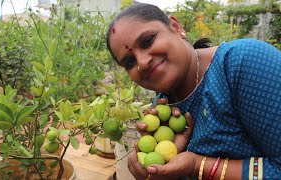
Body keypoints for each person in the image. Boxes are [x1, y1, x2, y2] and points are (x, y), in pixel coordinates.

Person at [106, 3, 281, 180]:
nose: (142, 62)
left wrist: (197, 165)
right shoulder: (163, 112)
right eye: (129, 62)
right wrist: (160, 171)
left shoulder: (242, 64)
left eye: (148, 41)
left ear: (176, 27)